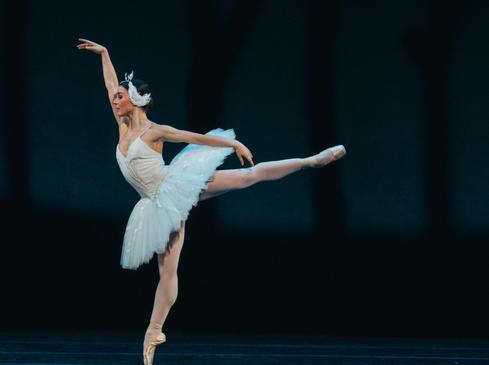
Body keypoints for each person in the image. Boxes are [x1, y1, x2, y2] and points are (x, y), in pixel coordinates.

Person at [77, 38, 346, 365]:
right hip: (154, 204)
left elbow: (194, 137)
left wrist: (232, 145)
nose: (113, 100)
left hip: (173, 188)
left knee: (248, 177)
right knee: (167, 273)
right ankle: (154, 332)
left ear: (134, 101)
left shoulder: (153, 131)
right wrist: (104, 53)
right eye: (115, 97)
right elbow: (109, 82)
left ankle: (311, 161)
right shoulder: (122, 124)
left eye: (120, 96)